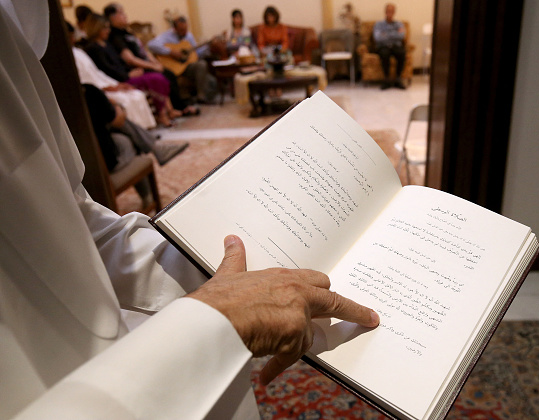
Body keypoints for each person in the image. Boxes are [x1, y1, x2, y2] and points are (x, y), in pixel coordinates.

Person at [0, 1, 379, 418]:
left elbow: (77, 226)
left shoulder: (13, 28)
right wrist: (217, 322)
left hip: (122, 344)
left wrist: (241, 273)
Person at [84, 13, 182, 127]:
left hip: (124, 74)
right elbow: (107, 70)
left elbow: (120, 63)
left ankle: (165, 112)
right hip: (117, 80)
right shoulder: (93, 48)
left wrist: (133, 71)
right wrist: (128, 75)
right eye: (105, 28)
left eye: (107, 27)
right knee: (156, 79)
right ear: (97, 28)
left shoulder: (106, 44)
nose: (108, 30)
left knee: (161, 76)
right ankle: (162, 115)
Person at [103, 3, 200, 114]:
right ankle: (176, 108)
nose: (125, 15)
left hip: (146, 64)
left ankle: (177, 107)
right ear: (112, 17)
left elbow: (143, 51)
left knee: (168, 72)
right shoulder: (115, 36)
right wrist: (153, 66)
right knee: (165, 75)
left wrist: (155, 63)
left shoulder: (126, 32)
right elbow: (130, 59)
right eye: (121, 13)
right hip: (136, 68)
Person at [67, 20, 157, 129]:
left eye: (73, 36)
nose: (73, 39)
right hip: (98, 91)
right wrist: (107, 87)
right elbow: (85, 80)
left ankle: (146, 131)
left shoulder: (79, 52)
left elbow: (97, 73)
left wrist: (116, 84)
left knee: (137, 95)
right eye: (70, 36)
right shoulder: (75, 54)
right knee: (126, 101)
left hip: (107, 84)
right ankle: (139, 135)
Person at [147, 16, 215, 105]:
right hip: (173, 67)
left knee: (207, 73)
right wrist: (171, 52)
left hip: (187, 66)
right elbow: (151, 45)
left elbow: (196, 53)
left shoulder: (188, 35)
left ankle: (200, 97)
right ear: (174, 29)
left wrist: (208, 47)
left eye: (186, 29)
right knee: (203, 69)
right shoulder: (167, 36)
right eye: (181, 30)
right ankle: (197, 97)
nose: (185, 32)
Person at [373, 3, 407, 90]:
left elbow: (401, 36)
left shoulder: (399, 24)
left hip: (396, 46)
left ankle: (398, 79)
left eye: (392, 11)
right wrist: (394, 34)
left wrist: (386, 34)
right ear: (385, 12)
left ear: (394, 12)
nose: (390, 13)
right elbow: (378, 37)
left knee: (402, 53)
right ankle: (386, 80)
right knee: (384, 54)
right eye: (388, 11)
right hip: (383, 46)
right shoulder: (379, 24)